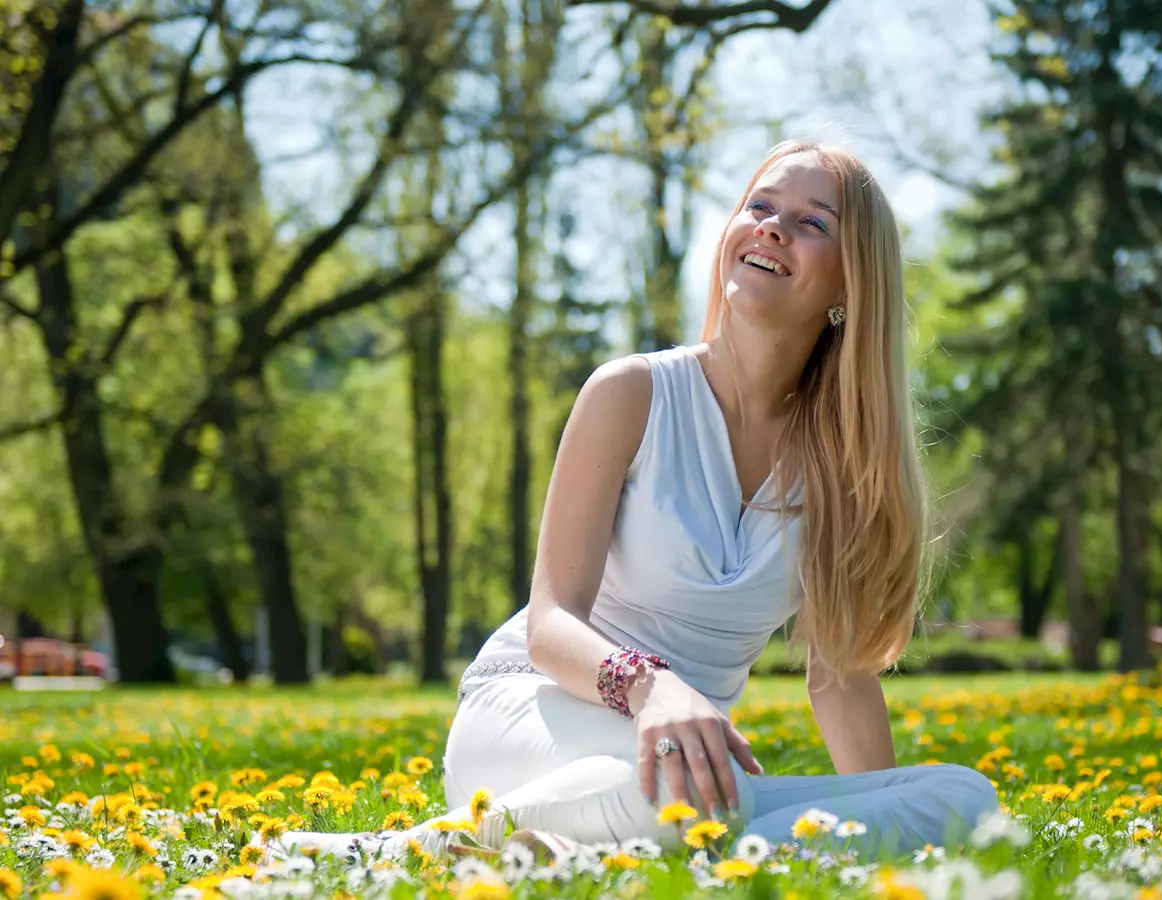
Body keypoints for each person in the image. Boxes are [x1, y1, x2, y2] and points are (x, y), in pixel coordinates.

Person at [276, 140, 998, 864]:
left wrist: (880, 815)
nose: (772, 227)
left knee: (963, 796)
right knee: (692, 796)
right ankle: (404, 847)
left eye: (813, 223)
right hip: (536, 709)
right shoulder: (630, 394)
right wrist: (651, 689)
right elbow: (552, 623)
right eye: (760, 206)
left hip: (672, 759)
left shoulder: (844, 463)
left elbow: (839, 676)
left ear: (852, 285)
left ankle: (625, 849)